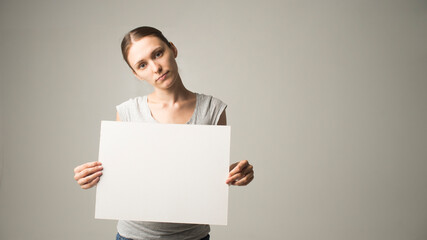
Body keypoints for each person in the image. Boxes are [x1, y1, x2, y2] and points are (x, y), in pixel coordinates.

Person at [73, 26, 254, 240]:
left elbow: (209, 175)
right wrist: (92, 176)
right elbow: (124, 174)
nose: (156, 68)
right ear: (136, 74)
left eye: (158, 54)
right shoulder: (128, 111)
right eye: (142, 65)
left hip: (192, 237)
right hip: (134, 237)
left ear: (173, 49)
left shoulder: (212, 110)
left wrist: (235, 174)